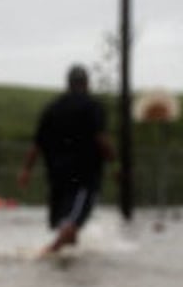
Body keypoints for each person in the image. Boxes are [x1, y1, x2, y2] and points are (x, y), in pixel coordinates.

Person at [18, 65, 114, 256]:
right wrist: (116, 163)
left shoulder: (51, 108)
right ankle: (47, 254)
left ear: (68, 84)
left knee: (65, 225)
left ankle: (65, 269)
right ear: (86, 84)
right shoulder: (92, 106)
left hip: (57, 178)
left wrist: (26, 171)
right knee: (71, 225)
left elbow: (36, 145)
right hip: (83, 178)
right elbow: (100, 139)